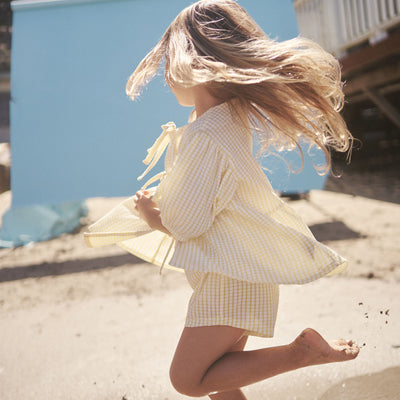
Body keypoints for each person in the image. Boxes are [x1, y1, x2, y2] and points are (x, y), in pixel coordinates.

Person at [84, 1, 359, 398]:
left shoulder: (207, 134)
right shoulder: (224, 120)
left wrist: (151, 214)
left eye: (169, 63)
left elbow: (187, 224)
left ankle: (301, 352)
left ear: (194, 63)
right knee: (222, 380)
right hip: (239, 274)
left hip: (231, 280)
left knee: (188, 380)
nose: (165, 75)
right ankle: (299, 352)